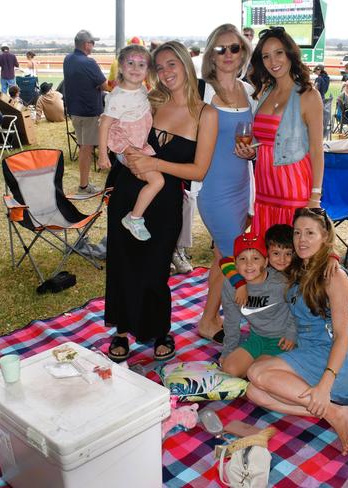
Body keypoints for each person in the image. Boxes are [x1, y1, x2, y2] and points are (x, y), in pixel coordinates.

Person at [103, 40, 218, 363]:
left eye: (172, 64)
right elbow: (116, 129)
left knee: (155, 270)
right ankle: (122, 331)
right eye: (161, 66)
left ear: (185, 64)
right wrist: (121, 152)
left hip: (166, 202)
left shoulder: (205, 114)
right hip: (128, 192)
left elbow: (199, 170)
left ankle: (159, 329)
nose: (166, 72)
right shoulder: (148, 101)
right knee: (123, 263)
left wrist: (156, 164)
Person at [246, 207, 348, 456]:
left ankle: (332, 412)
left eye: (310, 233)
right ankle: (336, 411)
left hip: (334, 357)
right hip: (307, 349)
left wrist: (324, 384)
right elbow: (251, 262)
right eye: (298, 232)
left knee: (257, 372)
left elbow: (342, 335)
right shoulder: (298, 267)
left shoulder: (334, 276)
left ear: (325, 237)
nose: (302, 239)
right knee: (253, 391)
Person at [235, 26, 324, 236]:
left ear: (290, 54)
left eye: (279, 53)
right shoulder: (266, 92)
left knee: (291, 254)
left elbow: (317, 150)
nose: (273, 62)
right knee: (267, 250)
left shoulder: (309, 96)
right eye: (266, 56)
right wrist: (251, 152)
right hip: (264, 188)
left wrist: (315, 196)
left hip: (293, 188)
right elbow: (265, 142)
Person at [196, 23, 254, 343]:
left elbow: (255, 136)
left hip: (243, 189)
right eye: (221, 49)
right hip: (214, 191)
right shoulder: (202, 91)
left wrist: (251, 149)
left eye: (235, 48)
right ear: (211, 55)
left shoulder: (248, 91)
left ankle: (209, 318)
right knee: (237, 256)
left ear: (243, 52)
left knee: (222, 255)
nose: (228, 54)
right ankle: (243, 320)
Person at [98, 44, 160, 242]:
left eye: (141, 65)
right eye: (130, 63)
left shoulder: (141, 89)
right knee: (157, 181)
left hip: (138, 144)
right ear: (122, 67)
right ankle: (134, 217)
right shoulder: (117, 97)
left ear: (147, 70)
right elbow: (104, 125)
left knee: (151, 180)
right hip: (127, 146)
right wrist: (102, 154)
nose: (135, 68)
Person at [220, 232, 296, 378]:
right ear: (235, 263)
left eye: (256, 258)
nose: (249, 264)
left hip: (282, 340)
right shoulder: (230, 286)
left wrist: (292, 333)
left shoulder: (280, 283)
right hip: (257, 338)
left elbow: (297, 309)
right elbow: (231, 321)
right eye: (242, 259)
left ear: (266, 262)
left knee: (256, 373)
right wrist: (228, 351)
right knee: (229, 369)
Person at [63, 29, 109, 194]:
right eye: (92, 43)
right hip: (89, 111)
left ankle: (83, 183)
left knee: (84, 147)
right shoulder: (90, 63)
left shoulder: (68, 59)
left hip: (74, 110)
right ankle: (83, 185)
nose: (94, 46)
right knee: (87, 149)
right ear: (86, 44)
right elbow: (106, 86)